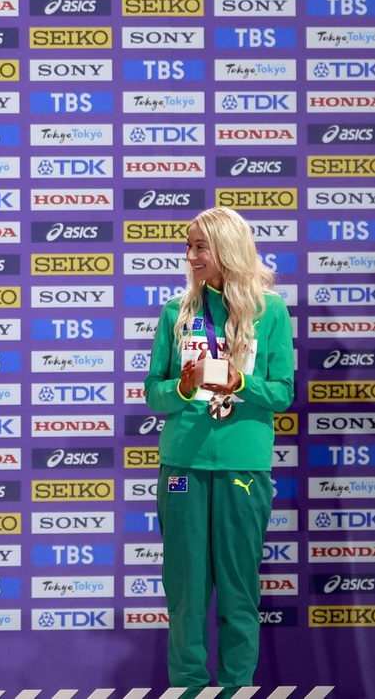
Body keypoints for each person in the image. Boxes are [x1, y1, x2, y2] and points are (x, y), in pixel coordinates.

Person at [142, 206, 294, 695]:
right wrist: (182, 390)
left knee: (237, 595)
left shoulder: (270, 311)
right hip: (183, 463)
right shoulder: (176, 312)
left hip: (241, 466)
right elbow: (152, 391)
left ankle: (236, 690)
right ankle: (187, 690)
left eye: (199, 246)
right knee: (185, 596)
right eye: (188, 246)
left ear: (227, 249)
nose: (190, 256)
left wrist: (241, 382)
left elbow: (283, 392)